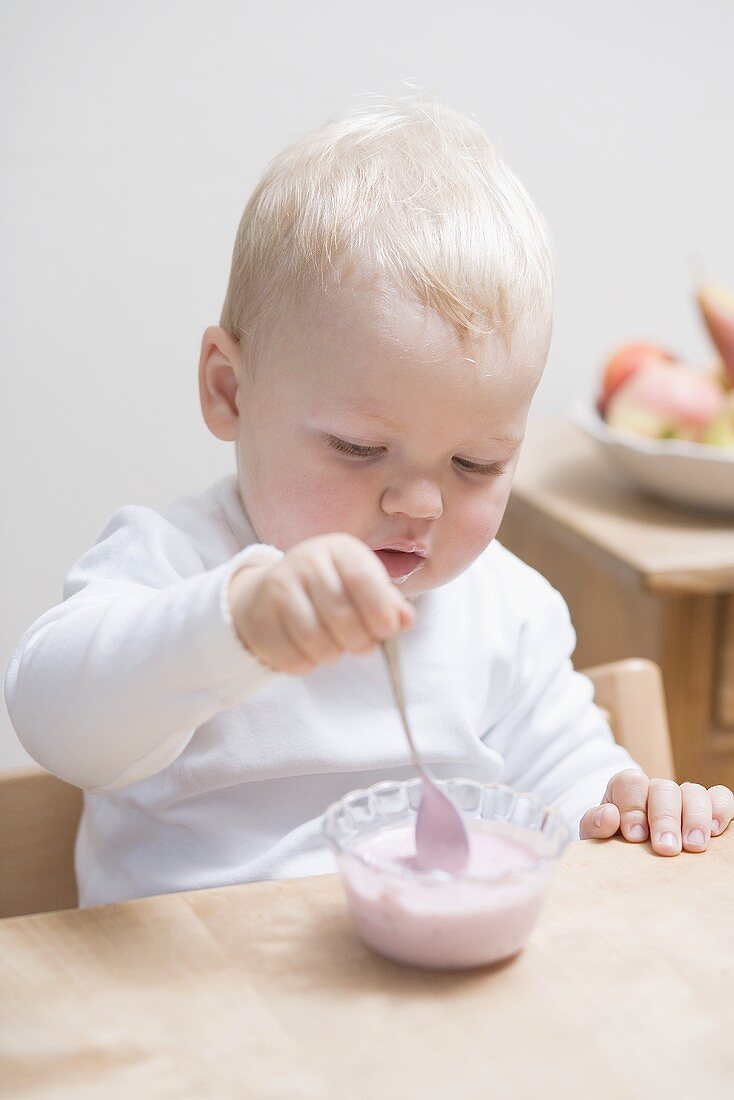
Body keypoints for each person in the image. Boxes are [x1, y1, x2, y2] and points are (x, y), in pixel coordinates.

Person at [6, 99, 732, 907]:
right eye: (358, 448)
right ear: (229, 391)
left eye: (475, 462)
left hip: (413, 994)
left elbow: (562, 781)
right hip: (200, 1003)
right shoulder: (172, 569)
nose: (420, 502)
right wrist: (234, 624)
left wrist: (624, 809)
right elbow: (57, 721)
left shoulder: (504, 607)